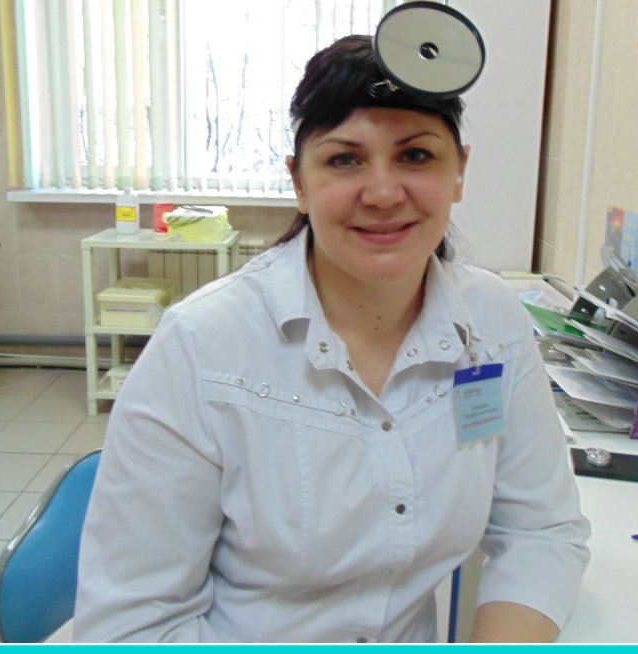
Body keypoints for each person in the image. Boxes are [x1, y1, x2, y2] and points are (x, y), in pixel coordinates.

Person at [74, 34, 591, 643]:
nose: (383, 193)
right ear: (299, 182)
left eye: (416, 156)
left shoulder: (493, 321)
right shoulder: (203, 344)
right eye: (344, 160)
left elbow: (540, 531)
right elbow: (132, 623)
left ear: (459, 172)